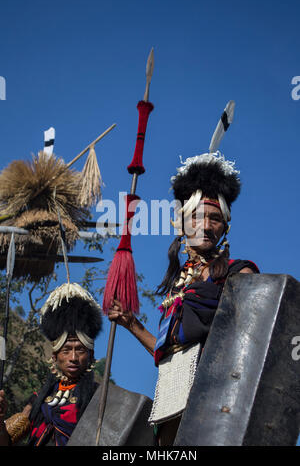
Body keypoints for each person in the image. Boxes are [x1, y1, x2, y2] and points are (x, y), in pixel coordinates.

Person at [108, 151, 259, 445]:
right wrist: (131, 324)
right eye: (197, 216)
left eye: (214, 218)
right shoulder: (177, 286)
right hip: (169, 395)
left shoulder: (239, 273)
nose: (205, 225)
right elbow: (168, 352)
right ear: (181, 224)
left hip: (212, 394)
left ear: (225, 227)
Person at [0, 282, 102, 446]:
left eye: (80, 350)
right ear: (55, 356)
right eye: (66, 350)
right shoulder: (38, 399)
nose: (73, 357)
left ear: (91, 356)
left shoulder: (99, 396)